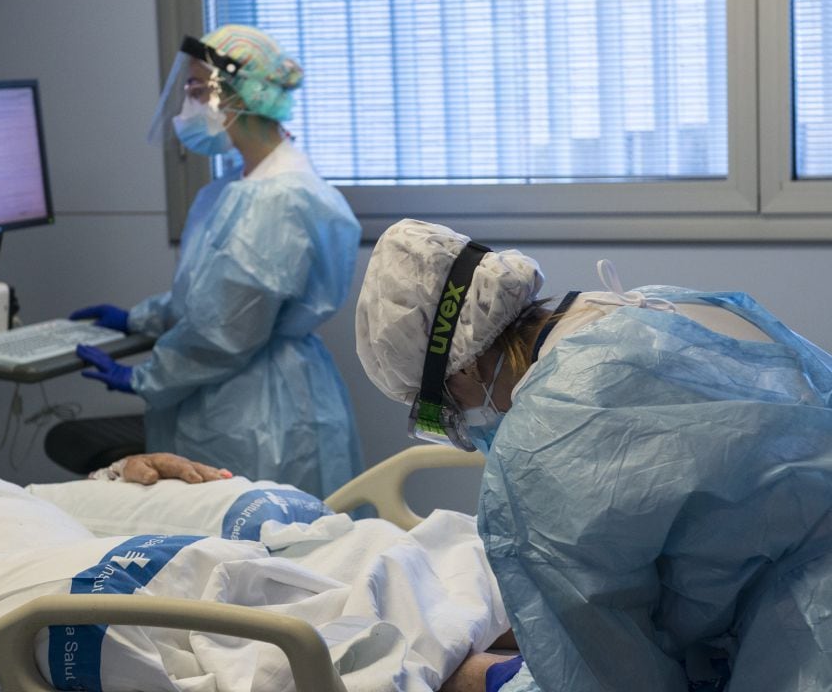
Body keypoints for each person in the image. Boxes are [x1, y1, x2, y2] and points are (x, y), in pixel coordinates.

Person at [355, 218, 832, 692]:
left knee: (470, 676)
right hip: (784, 603)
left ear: (459, 371)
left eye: (441, 415)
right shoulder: (648, 308)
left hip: (807, 632)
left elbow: (612, 672)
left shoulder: (542, 445)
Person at [0, 447, 514, 692]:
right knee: (133, 597)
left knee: (267, 517)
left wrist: (113, 480)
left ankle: (506, 634)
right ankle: (477, 671)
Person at [70, 24, 362, 499]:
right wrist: (139, 318)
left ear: (240, 95)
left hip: (258, 411)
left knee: (263, 550)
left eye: (196, 90)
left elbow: (226, 332)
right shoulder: (239, 186)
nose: (188, 107)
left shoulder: (278, 200)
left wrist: (142, 378)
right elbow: (212, 295)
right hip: (244, 394)